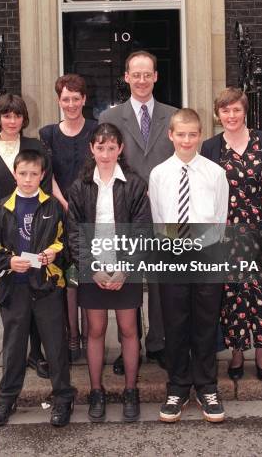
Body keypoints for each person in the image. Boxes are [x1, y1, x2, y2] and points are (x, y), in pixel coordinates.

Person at [201, 87, 262, 381]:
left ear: (245, 111)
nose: (231, 115)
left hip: (261, 228)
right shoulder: (210, 148)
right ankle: (238, 354)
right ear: (218, 114)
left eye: (236, 109)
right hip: (227, 233)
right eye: (225, 110)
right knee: (233, 296)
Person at [0, 149, 75, 427]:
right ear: (14, 174)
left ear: (43, 175)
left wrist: (55, 254)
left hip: (47, 287)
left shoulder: (53, 207)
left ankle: (62, 399)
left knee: (56, 345)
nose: (28, 179)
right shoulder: (0, 209)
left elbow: (67, 244)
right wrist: (8, 261)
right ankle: (6, 399)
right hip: (14, 287)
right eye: (23, 173)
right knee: (13, 346)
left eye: (34, 174)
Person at [67, 123, 152, 423]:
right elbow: (74, 234)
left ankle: (130, 390)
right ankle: (96, 391)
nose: (105, 153)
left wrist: (125, 269)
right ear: (92, 149)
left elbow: (143, 231)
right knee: (96, 331)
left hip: (124, 270)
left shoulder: (135, 185)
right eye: (100, 147)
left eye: (111, 147)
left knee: (129, 330)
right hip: (95, 271)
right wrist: (93, 269)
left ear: (120, 150)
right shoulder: (80, 188)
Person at [99, 50, 177, 374]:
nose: (142, 80)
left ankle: (159, 342)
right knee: (127, 282)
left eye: (148, 74)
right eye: (136, 74)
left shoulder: (173, 116)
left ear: (156, 77)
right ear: (126, 77)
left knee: (159, 281)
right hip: (125, 213)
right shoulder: (111, 118)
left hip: (162, 214)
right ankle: (128, 346)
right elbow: (107, 160)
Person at [149, 109, 228, 423]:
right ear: (171, 135)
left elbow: (220, 219)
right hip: (172, 256)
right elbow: (157, 220)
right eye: (180, 134)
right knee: (176, 324)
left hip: (208, 254)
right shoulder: (159, 174)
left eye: (192, 134)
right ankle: (178, 386)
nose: (186, 140)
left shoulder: (214, 173)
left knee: (206, 324)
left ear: (200, 136)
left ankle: (207, 386)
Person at [0, 93, 52, 379]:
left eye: (16, 115)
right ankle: (15, 354)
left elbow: (46, 188)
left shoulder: (35, 147)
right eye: (6, 115)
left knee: (38, 289)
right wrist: (4, 219)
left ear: (23, 118)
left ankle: (36, 354)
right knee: (13, 296)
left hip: (35, 230)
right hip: (1, 235)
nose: (12, 120)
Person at [40, 74, 96, 362]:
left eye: (76, 98)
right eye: (66, 99)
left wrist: (82, 204)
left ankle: (89, 337)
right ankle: (71, 337)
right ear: (59, 100)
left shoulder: (97, 130)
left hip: (91, 214)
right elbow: (45, 174)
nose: (71, 104)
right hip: (59, 214)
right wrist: (65, 202)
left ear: (84, 99)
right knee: (66, 278)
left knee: (86, 276)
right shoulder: (47, 134)